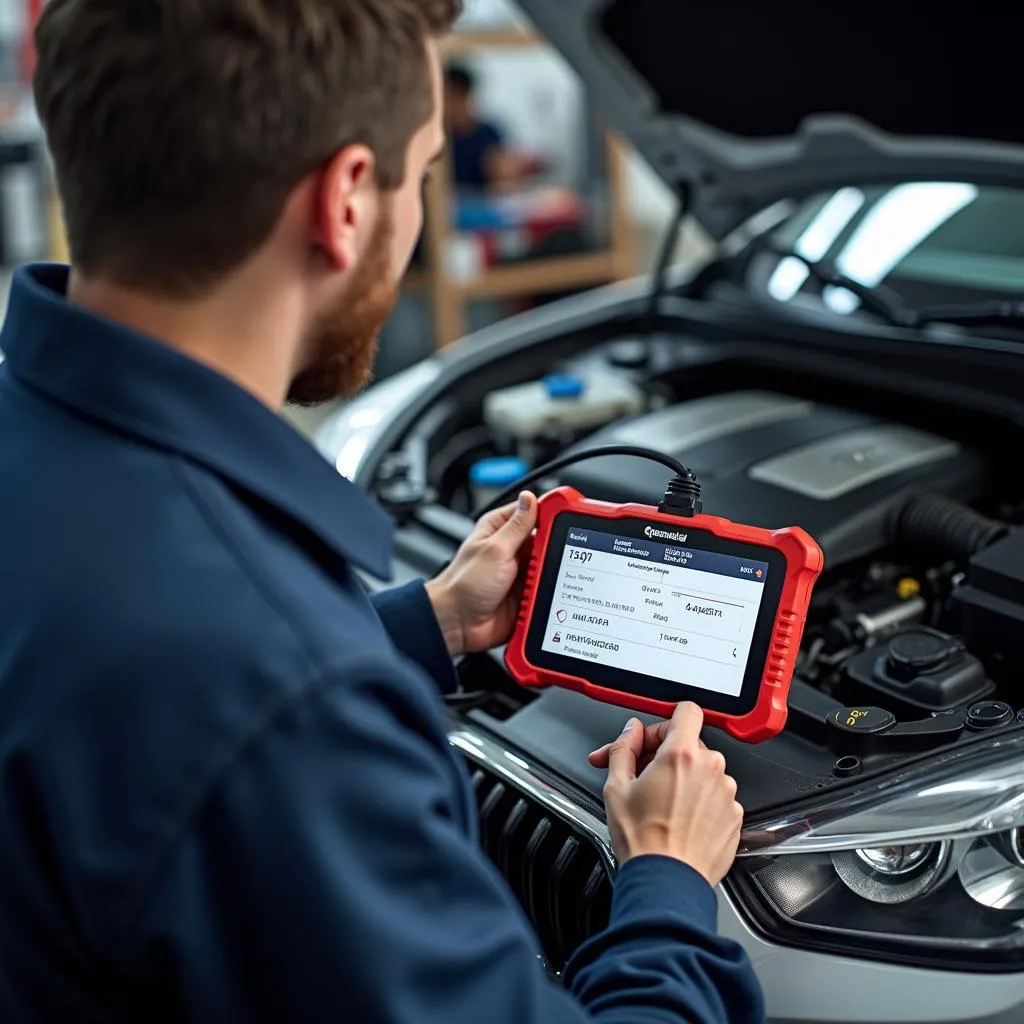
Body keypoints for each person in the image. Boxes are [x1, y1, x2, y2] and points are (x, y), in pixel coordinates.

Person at [0, 2, 764, 1023]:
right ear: (348, 198)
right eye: (427, 171)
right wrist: (668, 878)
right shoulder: (290, 703)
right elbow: (242, 693)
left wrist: (430, 623)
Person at [445, 63, 546, 192]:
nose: (449, 104)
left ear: (464, 95)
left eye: (452, 97)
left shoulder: (489, 133)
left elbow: (502, 176)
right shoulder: (440, 138)